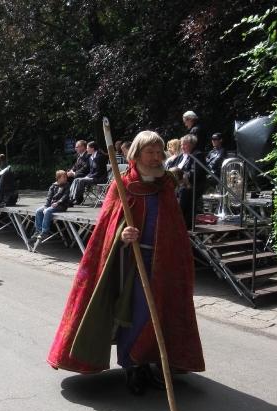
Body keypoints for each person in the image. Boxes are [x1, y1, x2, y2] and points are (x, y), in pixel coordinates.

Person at [47, 130, 205, 396]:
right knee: (134, 315)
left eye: (158, 153)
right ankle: (131, 367)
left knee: (158, 314)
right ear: (136, 155)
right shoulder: (122, 185)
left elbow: (174, 224)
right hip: (128, 261)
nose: (156, 158)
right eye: (150, 153)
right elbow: (106, 225)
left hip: (162, 261)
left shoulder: (165, 184)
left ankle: (145, 365)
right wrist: (122, 233)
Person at [166, 134, 206, 212]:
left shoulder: (197, 155)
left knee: (182, 190)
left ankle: (180, 214)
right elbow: (172, 167)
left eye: (185, 144)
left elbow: (194, 172)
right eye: (181, 144)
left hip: (190, 183)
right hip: (177, 181)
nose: (182, 147)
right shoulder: (181, 156)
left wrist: (181, 177)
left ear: (192, 145)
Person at [32, 170, 70, 240]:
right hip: (52, 205)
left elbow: (65, 196)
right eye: (64, 177)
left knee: (48, 211)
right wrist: (46, 207)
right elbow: (49, 197)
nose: (65, 178)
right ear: (58, 178)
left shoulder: (66, 186)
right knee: (38, 211)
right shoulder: (53, 186)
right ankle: (38, 230)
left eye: (66, 177)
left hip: (62, 205)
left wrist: (58, 202)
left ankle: (45, 232)